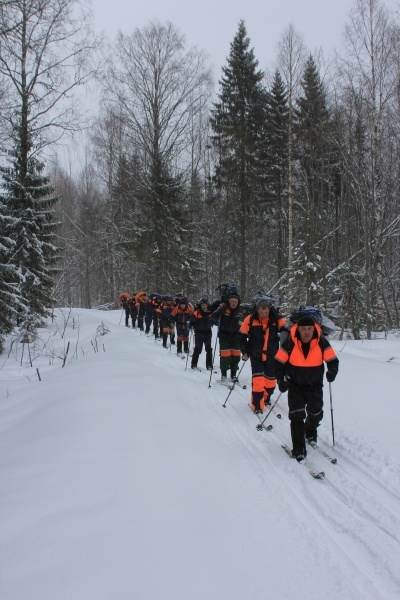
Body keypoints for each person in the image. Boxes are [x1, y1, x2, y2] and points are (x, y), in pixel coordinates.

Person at [274, 314, 339, 462]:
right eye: (303, 329)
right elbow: (278, 363)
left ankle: (310, 432)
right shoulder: (290, 342)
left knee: (316, 414)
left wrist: (331, 372)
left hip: (314, 386)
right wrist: (281, 380)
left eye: (309, 329)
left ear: (314, 329)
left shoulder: (321, 342)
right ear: (298, 329)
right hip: (295, 386)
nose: (306, 332)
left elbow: (333, 360)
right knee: (296, 416)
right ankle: (298, 449)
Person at [240, 295, 286, 414]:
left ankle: (266, 398)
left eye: (266, 311)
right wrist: (245, 351)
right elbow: (241, 336)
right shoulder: (249, 319)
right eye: (261, 310)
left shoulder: (276, 319)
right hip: (256, 355)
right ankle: (257, 405)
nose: (264, 313)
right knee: (258, 381)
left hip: (272, 355)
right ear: (257, 309)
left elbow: (285, 329)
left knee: (271, 381)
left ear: (269, 310)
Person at [211, 289, 242, 381]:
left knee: (236, 356)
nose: (233, 303)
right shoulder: (223, 308)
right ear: (228, 301)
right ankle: (224, 374)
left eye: (235, 302)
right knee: (225, 356)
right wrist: (219, 311)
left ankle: (233, 374)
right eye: (232, 301)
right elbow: (213, 317)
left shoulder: (240, 311)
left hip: (236, 336)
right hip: (224, 335)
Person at [190, 298, 213, 370]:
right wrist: (192, 323)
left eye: (205, 305)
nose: (204, 306)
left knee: (209, 349)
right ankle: (194, 364)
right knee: (197, 349)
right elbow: (192, 321)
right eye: (203, 305)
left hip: (208, 333)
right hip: (199, 333)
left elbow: (214, 320)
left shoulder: (210, 313)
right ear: (200, 305)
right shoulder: (197, 312)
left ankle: (209, 365)